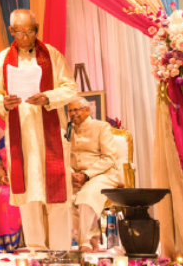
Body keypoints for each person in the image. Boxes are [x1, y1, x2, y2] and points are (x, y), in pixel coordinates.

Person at [0, 9, 77, 250]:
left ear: (37, 29)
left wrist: (47, 97)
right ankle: (37, 250)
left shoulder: (52, 56)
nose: (26, 37)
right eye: (20, 32)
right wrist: (3, 102)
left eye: (30, 31)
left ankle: (61, 252)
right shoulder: (1, 60)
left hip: (51, 137)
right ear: (11, 31)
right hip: (21, 138)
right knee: (29, 197)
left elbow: (70, 88)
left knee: (58, 198)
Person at [67, 97, 119, 252]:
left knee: (86, 195)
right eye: (70, 111)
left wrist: (87, 175)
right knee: (61, 198)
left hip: (102, 174)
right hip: (77, 177)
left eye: (76, 110)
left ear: (87, 110)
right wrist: (71, 175)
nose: (72, 114)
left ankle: (85, 243)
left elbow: (109, 158)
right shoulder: (68, 130)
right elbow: (64, 157)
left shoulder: (101, 127)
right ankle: (88, 237)